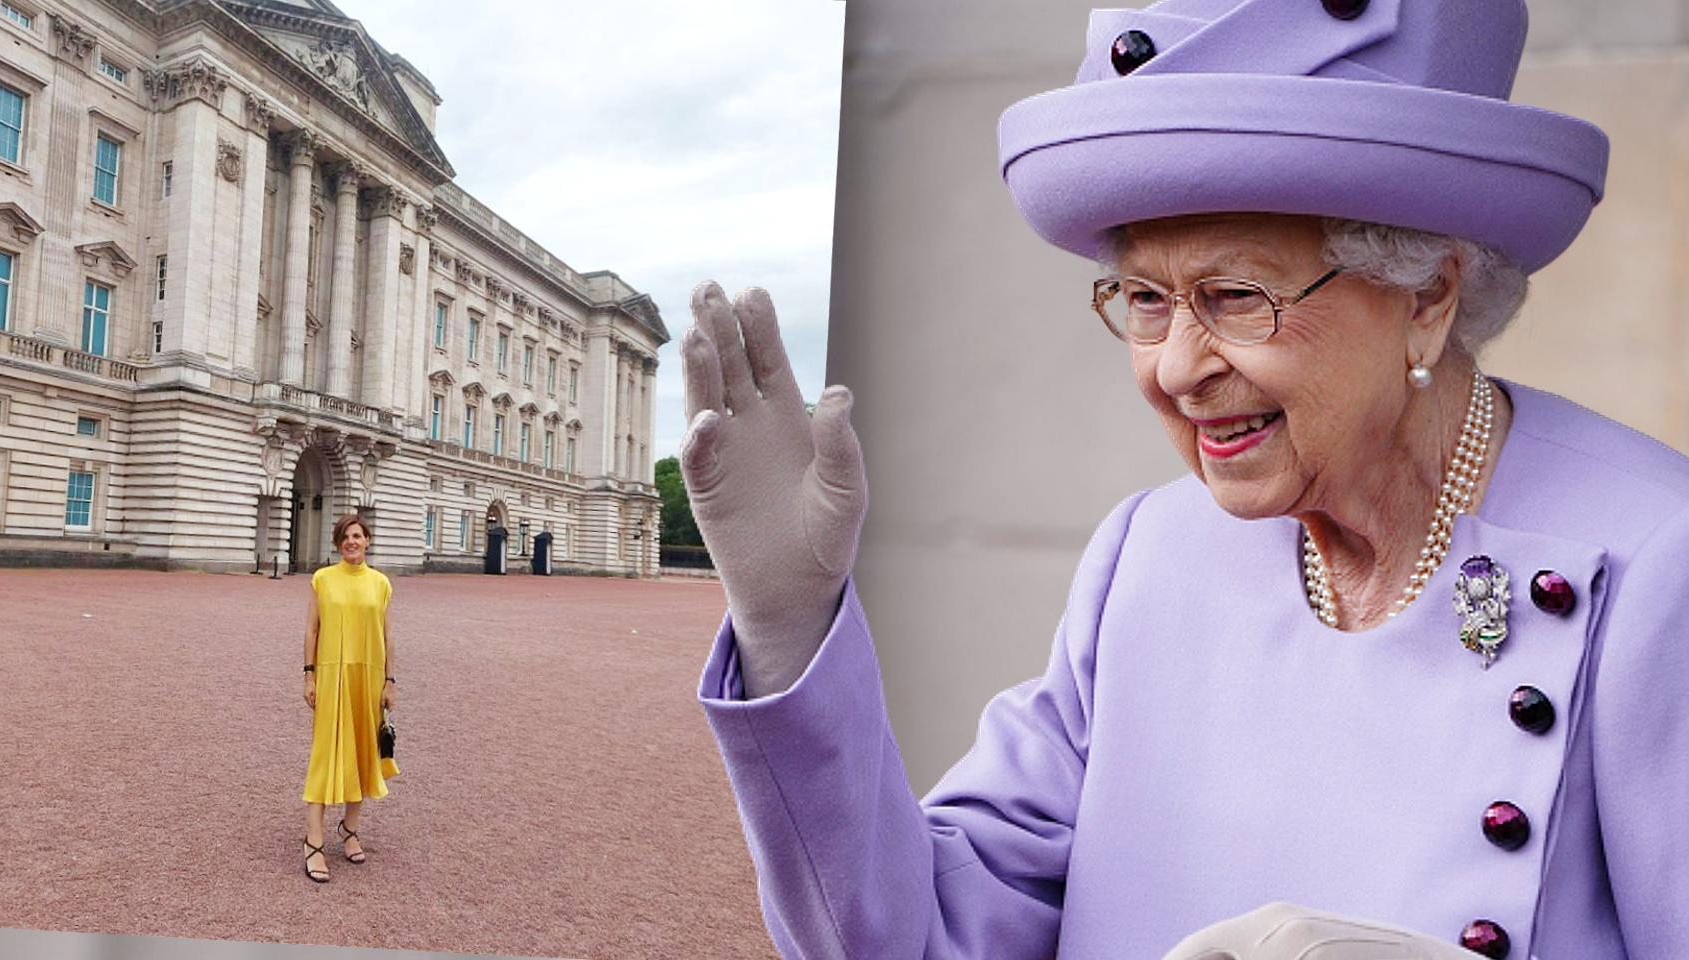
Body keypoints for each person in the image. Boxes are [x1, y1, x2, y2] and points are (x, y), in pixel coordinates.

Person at [679, 1, 1689, 958]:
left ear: (1424, 295)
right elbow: (912, 936)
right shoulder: (1147, 554)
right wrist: (789, 625)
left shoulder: (1653, 562)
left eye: (1233, 297)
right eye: (1142, 300)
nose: (1172, 368)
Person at [300, 513, 399, 883]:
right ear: (338, 543)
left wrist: (390, 681)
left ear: (368, 540)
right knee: (325, 754)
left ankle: (350, 829)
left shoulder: (381, 584)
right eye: (345, 537)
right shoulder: (322, 579)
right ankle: (313, 842)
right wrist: (308, 674)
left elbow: (389, 637)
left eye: (357, 536)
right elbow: (311, 629)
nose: (351, 542)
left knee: (362, 751)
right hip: (331, 675)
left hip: (369, 676)